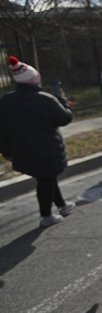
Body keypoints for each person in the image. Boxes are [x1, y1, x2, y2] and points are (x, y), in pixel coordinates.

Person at [0, 56, 74, 228]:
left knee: (46, 177)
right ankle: (46, 216)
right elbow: (64, 118)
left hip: (21, 149)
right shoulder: (46, 98)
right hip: (47, 149)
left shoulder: (5, 101)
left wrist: (6, 151)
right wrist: (63, 102)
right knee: (46, 179)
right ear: (35, 79)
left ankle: (62, 206)